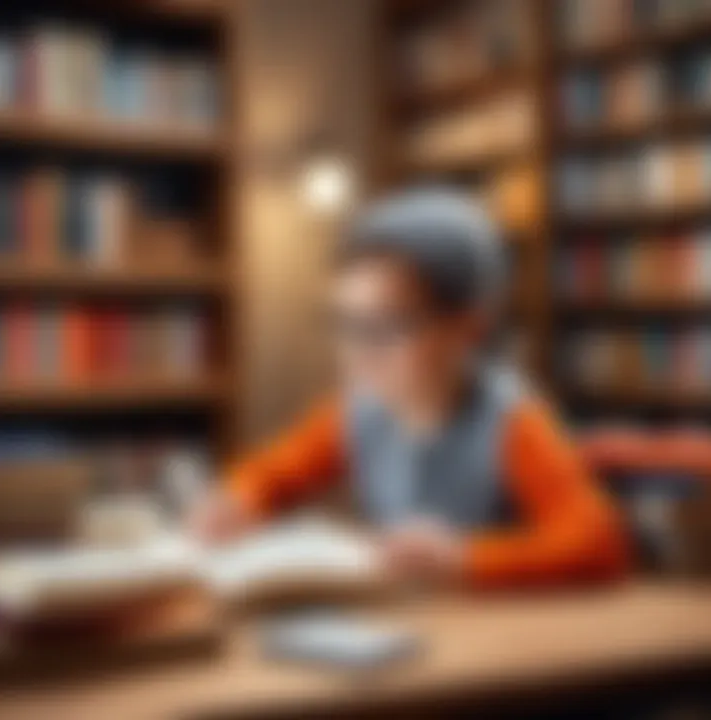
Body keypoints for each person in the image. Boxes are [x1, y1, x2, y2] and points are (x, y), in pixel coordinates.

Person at [191, 189, 630, 589]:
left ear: (468, 331)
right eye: (345, 325)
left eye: (388, 326)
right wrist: (238, 499)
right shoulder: (357, 410)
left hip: (501, 642)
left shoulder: (512, 421)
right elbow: (275, 474)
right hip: (418, 625)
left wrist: (467, 558)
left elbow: (597, 543)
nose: (357, 351)